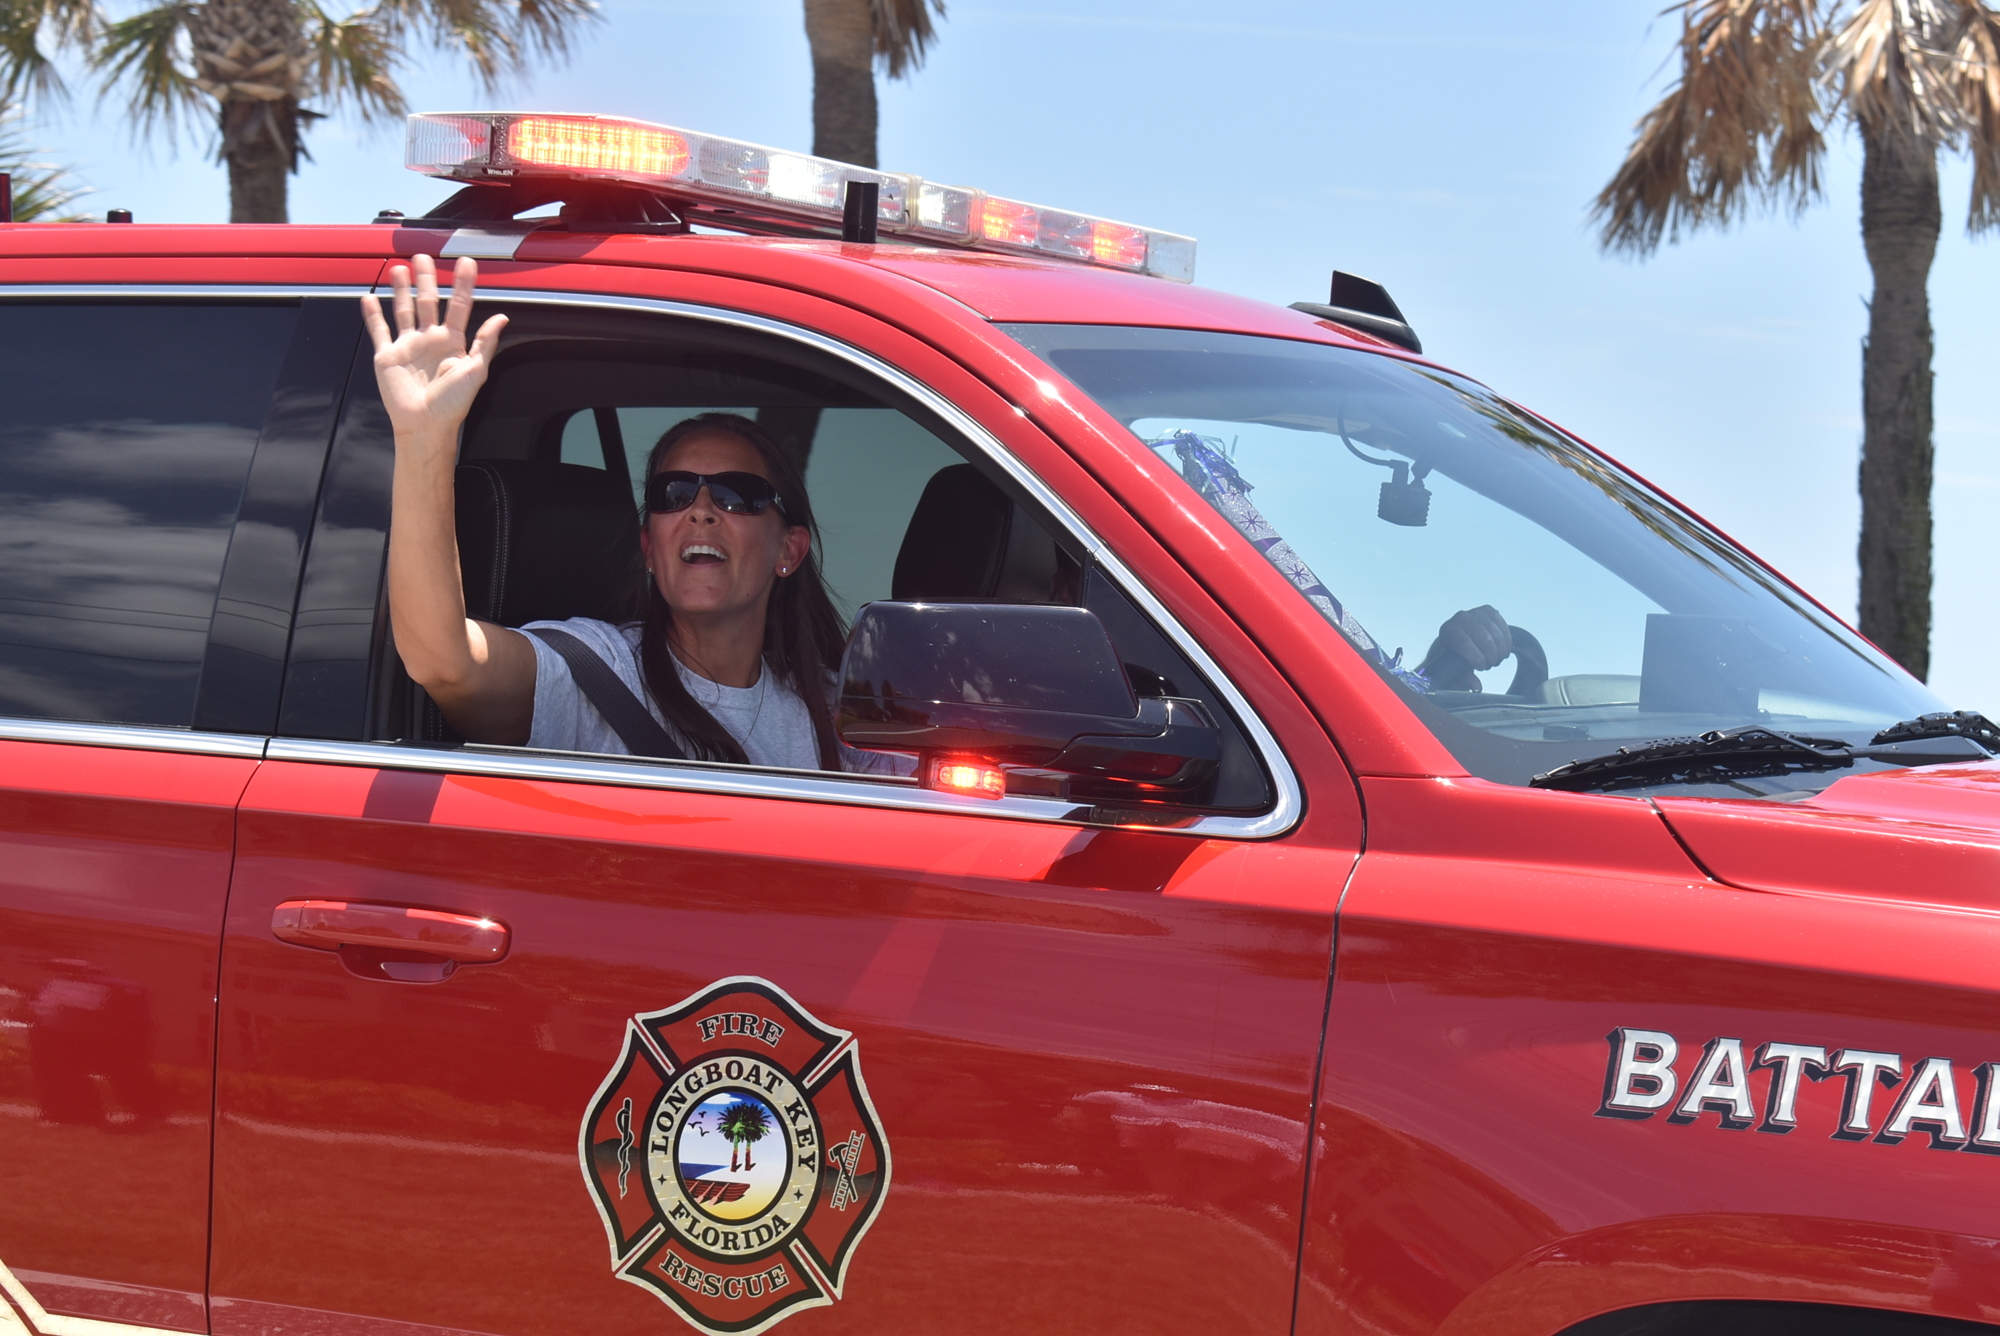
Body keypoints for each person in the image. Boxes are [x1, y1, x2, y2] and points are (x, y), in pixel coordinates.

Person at [363, 253, 900, 772]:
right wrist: (423, 440)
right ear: (649, 547)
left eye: (737, 494)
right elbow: (445, 661)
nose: (702, 510)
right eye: (674, 493)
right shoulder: (597, 669)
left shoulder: (833, 714)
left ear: (789, 550)